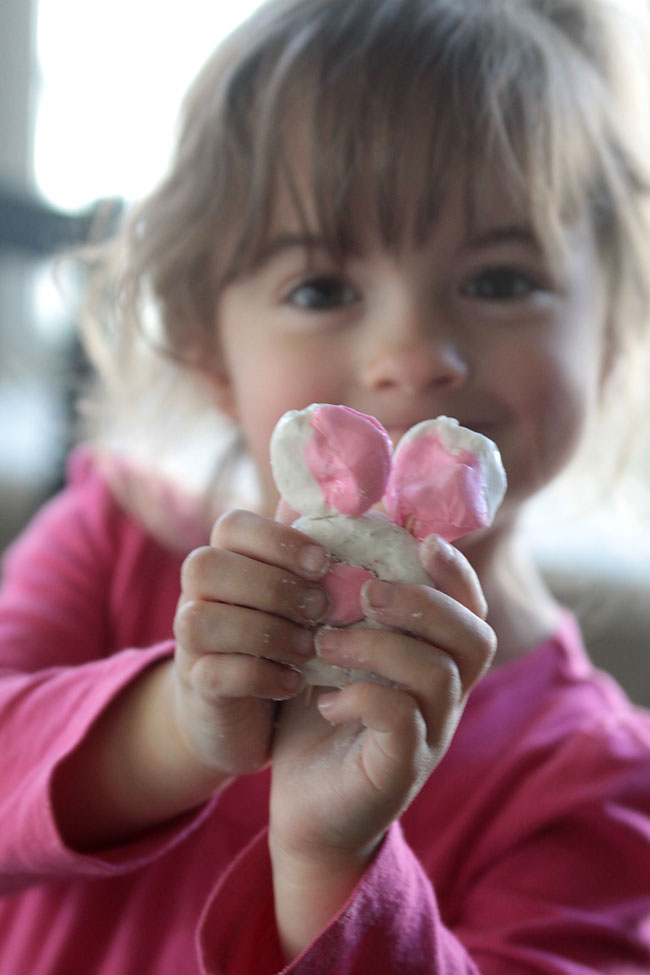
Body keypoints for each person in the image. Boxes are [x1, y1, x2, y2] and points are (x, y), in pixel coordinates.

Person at [1, 0, 650, 971]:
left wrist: (331, 859)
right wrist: (178, 727)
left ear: (607, 336)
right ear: (206, 349)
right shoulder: (113, 537)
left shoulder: (594, 777)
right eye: (320, 290)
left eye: (500, 279)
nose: (412, 356)